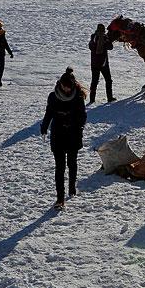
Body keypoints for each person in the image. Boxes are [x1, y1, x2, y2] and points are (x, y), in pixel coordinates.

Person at [40, 68, 87, 208]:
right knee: (59, 167)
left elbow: (83, 116)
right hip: (58, 134)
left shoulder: (78, 96)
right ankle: (60, 198)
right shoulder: (53, 96)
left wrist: (78, 125)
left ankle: (72, 186)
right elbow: (49, 113)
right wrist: (44, 126)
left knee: (72, 163)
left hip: (73, 135)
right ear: (60, 84)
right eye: (64, 86)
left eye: (69, 87)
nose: (66, 89)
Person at [88, 23, 115, 104]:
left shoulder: (93, 37)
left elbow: (91, 47)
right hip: (103, 64)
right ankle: (109, 98)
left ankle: (92, 99)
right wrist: (106, 40)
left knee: (94, 81)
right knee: (108, 80)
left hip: (94, 64)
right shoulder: (103, 38)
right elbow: (110, 47)